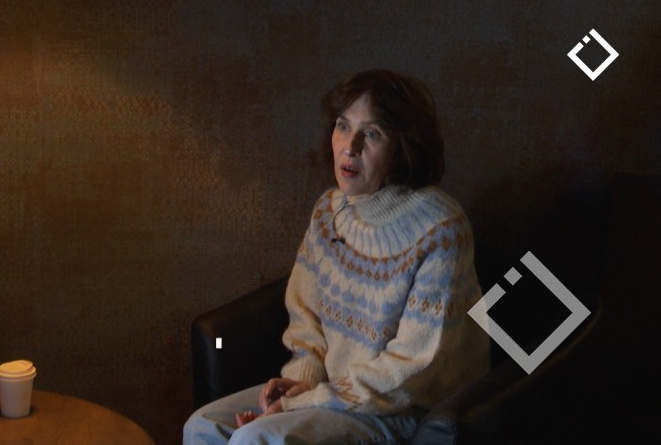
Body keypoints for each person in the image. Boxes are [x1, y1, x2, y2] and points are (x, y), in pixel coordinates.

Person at [183, 69, 490, 444]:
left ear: (404, 146)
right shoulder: (329, 212)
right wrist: (303, 378)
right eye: (343, 126)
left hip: (401, 408)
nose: (350, 147)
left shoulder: (441, 229)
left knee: (256, 439)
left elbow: (413, 369)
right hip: (331, 392)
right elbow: (306, 317)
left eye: (372, 134)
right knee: (202, 426)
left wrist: (304, 403)